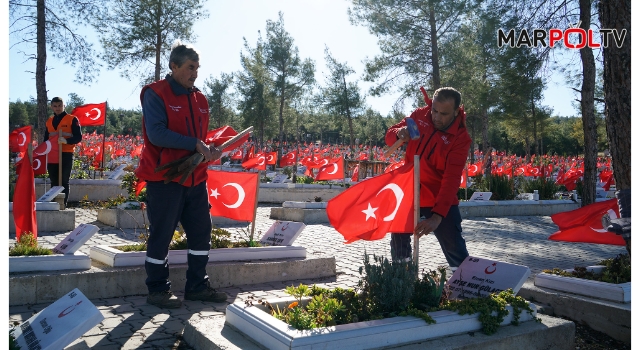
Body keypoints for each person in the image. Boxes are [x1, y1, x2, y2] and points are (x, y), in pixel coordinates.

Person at [135, 41, 227, 308]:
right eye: (189, 67)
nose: (195, 73)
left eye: (197, 68)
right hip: (164, 179)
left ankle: (197, 286)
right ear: (173, 66)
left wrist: (210, 149)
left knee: (201, 232)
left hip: (195, 178)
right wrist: (195, 145)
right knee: (162, 234)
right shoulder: (155, 94)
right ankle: (157, 290)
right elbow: (157, 133)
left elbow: (201, 137)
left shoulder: (199, 98)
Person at [385, 87, 472, 271]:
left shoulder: (461, 138)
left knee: (454, 247)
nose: (436, 117)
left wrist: (437, 216)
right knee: (399, 241)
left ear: (456, 111)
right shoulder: (419, 115)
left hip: (439, 199)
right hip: (409, 192)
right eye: (434, 110)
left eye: (444, 113)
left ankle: (467, 289)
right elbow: (389, 136)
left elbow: (451, 179)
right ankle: (402, 281)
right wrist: (398, 133)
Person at [44, 97, 83, 207]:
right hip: (52, 154)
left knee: (64, 181)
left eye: (60, 106)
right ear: (51, 107)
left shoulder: (72, 119)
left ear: (64, 106)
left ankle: (62, 205)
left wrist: (67, 141)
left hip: (66, 153)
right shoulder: (49, 121)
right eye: (55, 106)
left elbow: (78, 137)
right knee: (54, 180)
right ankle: (53, 204)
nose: (57, 108)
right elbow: (45, 140)